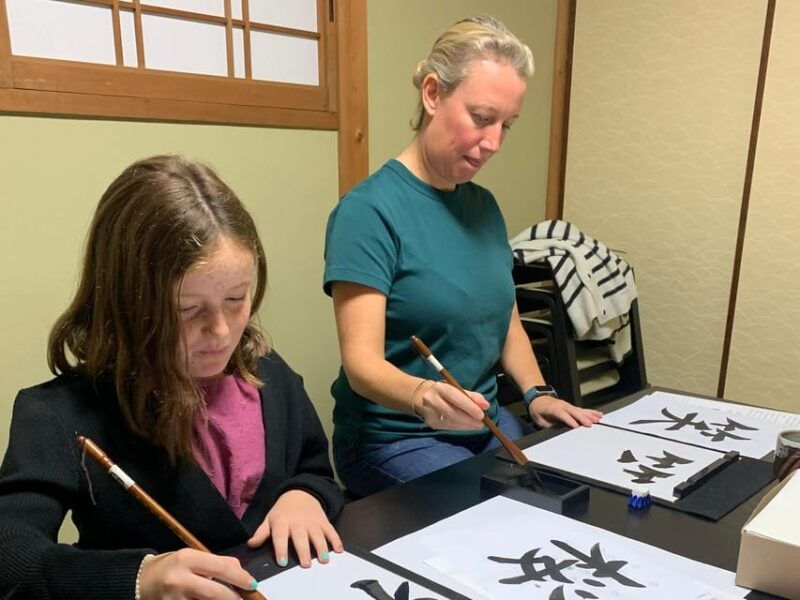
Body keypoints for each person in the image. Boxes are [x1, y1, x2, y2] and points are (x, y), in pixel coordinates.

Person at [0, 155, 343, 599]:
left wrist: (305, 496)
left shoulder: (269, 377)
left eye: (237, 299)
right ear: (128, 301)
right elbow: (10, 555)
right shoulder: (60, 415)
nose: (220, 332)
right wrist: (138, 579)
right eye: (188, 310)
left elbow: (314, 469)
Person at [324, 16, 602, 498]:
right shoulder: (368, 212)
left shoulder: (484, 206)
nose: (493, 142)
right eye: (481, 118)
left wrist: (537, 393)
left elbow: (503, 315)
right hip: (396, 437)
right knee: (502, 513)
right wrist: (423, 395)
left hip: (481, 425)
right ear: (433, 93)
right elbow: (361, 364)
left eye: (506, 125)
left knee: (569, 487)